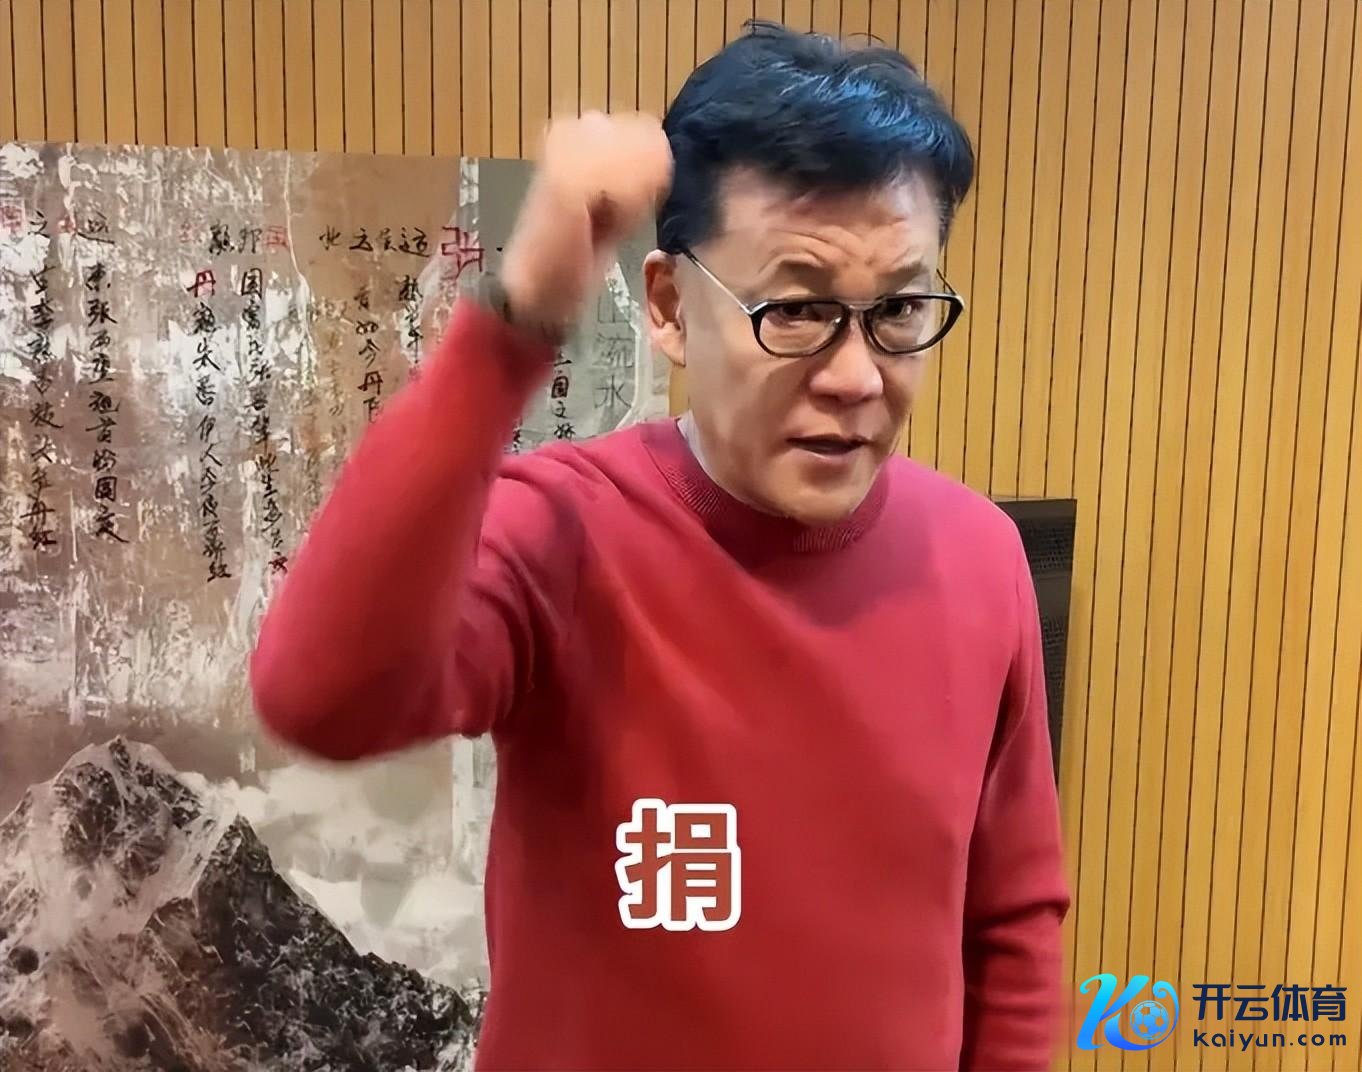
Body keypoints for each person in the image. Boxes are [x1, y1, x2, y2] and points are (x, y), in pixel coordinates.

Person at [251, 20, 1070, 1071]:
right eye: (797, 308)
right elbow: (320, 695)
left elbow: (1011, 920)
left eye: (901, 308)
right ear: (672, 307)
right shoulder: (561, 530)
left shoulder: (980, 555)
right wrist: (515, 322)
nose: (858, 376)